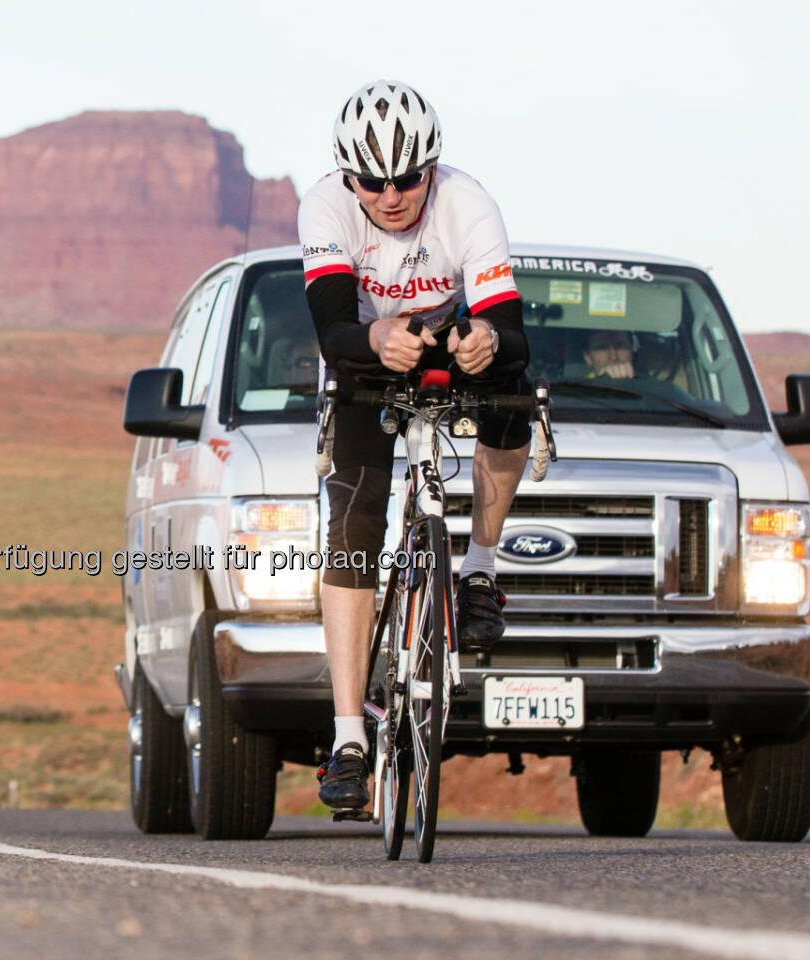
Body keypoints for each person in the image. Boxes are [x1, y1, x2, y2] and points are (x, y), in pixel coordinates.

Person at [299, 80, 531, 811]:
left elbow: (513, 332)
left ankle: (480, 570)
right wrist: (374, 337)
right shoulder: (326, 207)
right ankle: (347, 738)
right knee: (353, 526)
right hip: (367, 350)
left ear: (434, 167)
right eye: (374, 182)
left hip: (448, 342)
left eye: (409, 179)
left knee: (516, 401)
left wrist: (487, 338)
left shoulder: (469, 202)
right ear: (348, 176)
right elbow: (332, 331)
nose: (392, 196)